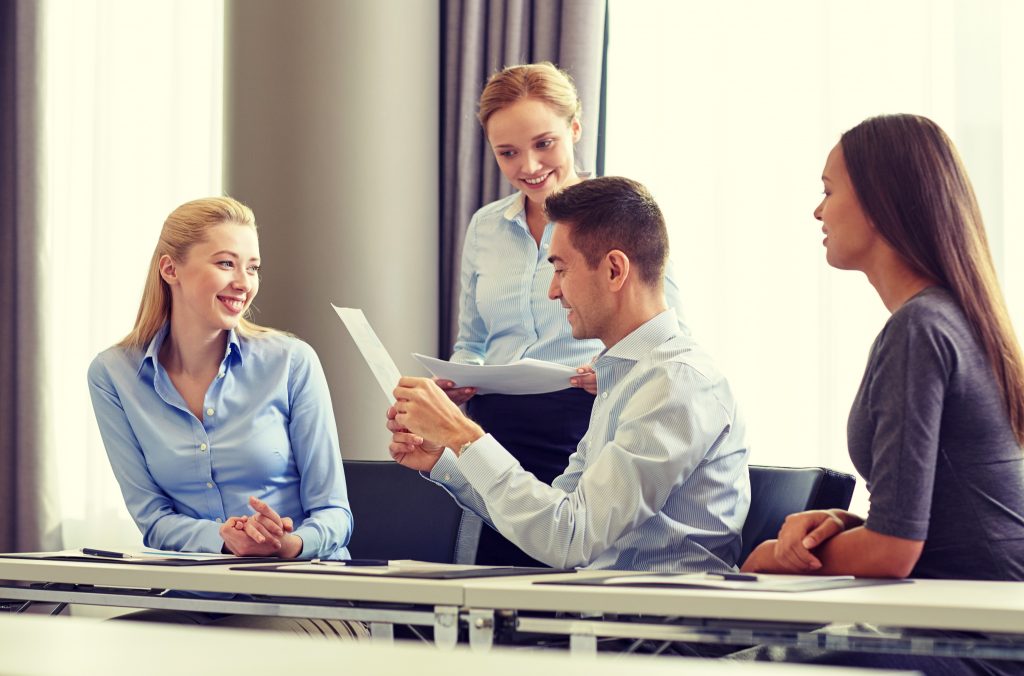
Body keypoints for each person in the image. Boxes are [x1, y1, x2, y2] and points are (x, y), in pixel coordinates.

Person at [740, 114, 1024, 674]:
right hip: (973, 619)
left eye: (827, 190)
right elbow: (927, 518)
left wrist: (774, 554)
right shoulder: (953, 318)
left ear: (879, 201)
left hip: (977, 638)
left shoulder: (919, 329)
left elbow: (894, 552)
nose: (818, 211)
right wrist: (844, 526)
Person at [388, 177, 750, 572]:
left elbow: (569, 538)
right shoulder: (628, 377)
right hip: (604, 620)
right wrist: (447, 457)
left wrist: (463, 434)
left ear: (614, 270)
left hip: (651, 627)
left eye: (560, 270)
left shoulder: (676, 383)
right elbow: (549, 521)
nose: (553, 292)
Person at [446, 62, 689, 565]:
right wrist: (458, 374)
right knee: (491, 577)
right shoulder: (485, 227)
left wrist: (610, 373)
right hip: (497, 424)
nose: (528, 165)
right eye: (507, 153)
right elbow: (472, 336)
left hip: (582, 418)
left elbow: (664, 328)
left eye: (544, 144)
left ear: (575, 130)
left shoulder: (616, 216)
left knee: (568, 550)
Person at [88, 197, 363, 637]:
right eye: (225, 263)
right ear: (170, 269)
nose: (243, 282)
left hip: (308, 597)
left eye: (252, 268)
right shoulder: (113, 374)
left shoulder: (291, 361)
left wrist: (288, 545)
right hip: (194, 602)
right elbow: (154, 519)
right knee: (103, 646)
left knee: (235, 655)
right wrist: (223, 537)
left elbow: (334, 513)